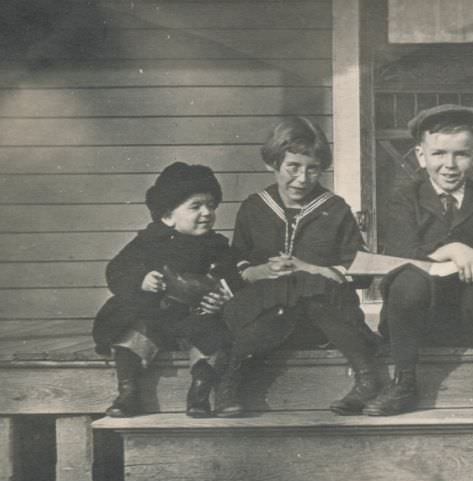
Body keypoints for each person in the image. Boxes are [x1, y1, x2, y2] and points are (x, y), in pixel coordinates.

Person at [364, 104, 473, 417]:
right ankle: (403, 381)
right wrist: (451, 249)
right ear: (420, 155)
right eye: (439, 153)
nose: (450, 164)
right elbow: (400, 251)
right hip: (418, 318)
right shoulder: (405, 197)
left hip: (472, 320)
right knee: (407, 279)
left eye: (461, 154)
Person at [216, 116, 380, 417]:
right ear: (273, 164)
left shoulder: (335, 209)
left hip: (323, 323)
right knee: (265, 313)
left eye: (312, 169)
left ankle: (367, 378)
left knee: (315, 294)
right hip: (270, 323)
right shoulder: (255, 207)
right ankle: (229, 383)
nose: (302, 179)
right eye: (293, 167)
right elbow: (236, 261)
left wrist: (310, 268)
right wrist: (258, 272)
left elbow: (360, 268)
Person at [93, 162, 240, 418]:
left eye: (211, 205)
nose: (207, 212)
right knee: (133, 334)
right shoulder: (149, 242)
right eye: (195, 206)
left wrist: (221, 294)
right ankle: (128, 392)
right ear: (168, 216)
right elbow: (117, 269)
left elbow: (231, 274)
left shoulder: (217, 246)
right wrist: (142, 279)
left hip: (198, 318)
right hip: (157, 315)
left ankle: (200, 394)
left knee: (215, 341)